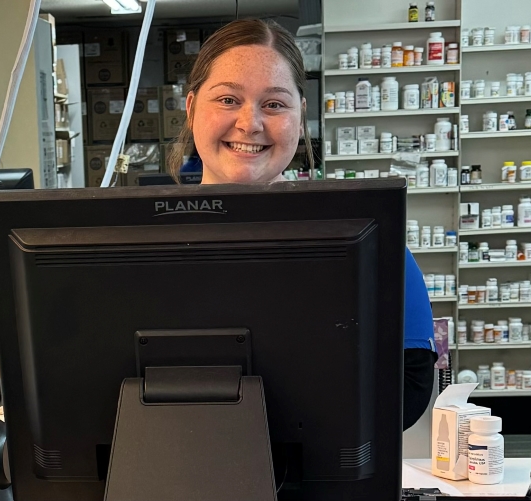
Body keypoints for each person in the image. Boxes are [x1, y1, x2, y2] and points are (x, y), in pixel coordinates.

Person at [169, 18, 436, 430]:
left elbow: (408, 387)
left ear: (301, 116)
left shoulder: (363, 239)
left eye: (274, 104)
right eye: (227, 100)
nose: (250, 123)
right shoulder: (124, 239)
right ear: (191, 109)